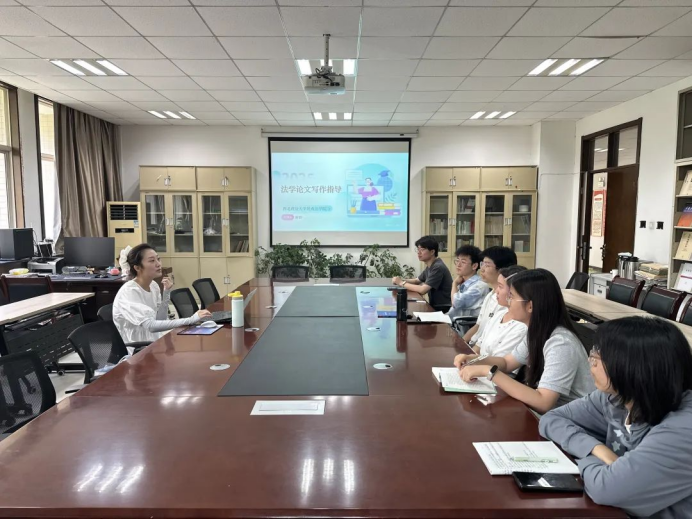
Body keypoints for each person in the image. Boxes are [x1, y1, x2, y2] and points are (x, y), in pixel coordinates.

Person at [540, 317, 692, 519]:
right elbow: (551, 420)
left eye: (599, 356)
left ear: (634, 367)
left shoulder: (683, 429)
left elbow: (606, 489)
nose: (591, 362)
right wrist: (597, 449)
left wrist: (585, 457)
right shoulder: (615, 397)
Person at [456, 269, 595, 414]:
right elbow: (507, 363)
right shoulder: (537, 332)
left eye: (511, 297)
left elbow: (543, 402)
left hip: (573, 419)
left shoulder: (561, 343)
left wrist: (488, 371)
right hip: (554, 415)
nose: (508, 302)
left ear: (530, 306)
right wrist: (474, 359)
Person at [113, 244, 212, 344]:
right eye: (152, 261)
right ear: (137, 268)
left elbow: (160, 319)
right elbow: (150, 326)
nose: (158, 264)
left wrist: (166, 293)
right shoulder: (129, 291)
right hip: (135, 347)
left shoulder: (153, 286)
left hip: (153, 342)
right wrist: (190, 320)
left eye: (158, 259)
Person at [455, 265, 527, 361]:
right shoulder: (499, 315)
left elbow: (500, 363)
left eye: (500, 287)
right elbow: (479, 346)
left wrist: (470, 362)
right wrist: (466, 359)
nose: (496, 291)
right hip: (480, 364)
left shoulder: (521, 326)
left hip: (490, 368)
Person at [462, 246, 517, 346]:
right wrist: (460, 343)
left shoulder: (506, 302)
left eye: (487, 265)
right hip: (474, 345)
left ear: (502, 269)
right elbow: (478, 326)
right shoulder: (490, 295)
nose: (481, 269)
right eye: (482, 264)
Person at [391, 236, 453, 312]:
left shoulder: (437, 267)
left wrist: (401, 283)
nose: (419, 252)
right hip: (436, 306)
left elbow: (423, 290)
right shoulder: (431, 265)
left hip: (444, 308)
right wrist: (400, 280)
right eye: (418, 249)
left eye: (422, 249)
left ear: (432, 252)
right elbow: (417, 280)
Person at [448, 245, 489, 320]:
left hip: (462, 325)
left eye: (463, 262)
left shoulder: (479, 286)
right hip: (451, 320)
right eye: (457, 261)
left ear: (474, 266)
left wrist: (454, 284)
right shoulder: (463, 282)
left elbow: (456, 303)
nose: (458, 265)